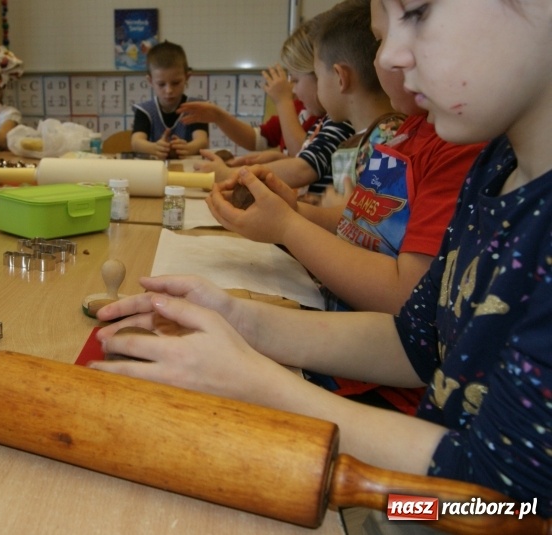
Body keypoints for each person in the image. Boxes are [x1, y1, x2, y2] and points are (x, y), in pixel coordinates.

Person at [90, 0, 552, 515]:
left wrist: (258, 385)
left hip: (432, 507)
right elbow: (416, 342)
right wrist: (237, 318)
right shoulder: (497, 167)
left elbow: (505, 504)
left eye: (418, 12)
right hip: (410, 484)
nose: (389, 57)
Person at [208, 0, 486, 414]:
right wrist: (294, 210)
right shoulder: (408, 132)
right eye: (382, 40)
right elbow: (366, 223)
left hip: (379, 388)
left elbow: (404, 297)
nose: (384, 58)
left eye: (384, 39)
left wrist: (287, 226)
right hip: (343, 343)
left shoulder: (453, 145)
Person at [192, 18, 355, 195]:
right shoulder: (319, 117)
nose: (292, 89)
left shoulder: (339, 121)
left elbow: (303, 167)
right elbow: (266, 142)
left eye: (296, 80)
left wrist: (229, 174)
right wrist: (280, 158)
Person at [177, 23, 319, 163]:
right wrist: (218, 116)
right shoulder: (298, 107)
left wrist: (283, 101)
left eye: (296, 80)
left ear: (319, 76)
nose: (292, 89)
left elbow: (304, 158)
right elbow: (257, 140)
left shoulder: (323, 119)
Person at [130, 40, 209, 160]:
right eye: (161, 84)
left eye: (175, 83)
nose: (169, 90)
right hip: (155, 169)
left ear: (187, 77)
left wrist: (188, 148)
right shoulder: (145, 110)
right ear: (150, 81)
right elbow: (136, 142)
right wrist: (155, 148)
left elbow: (202, 141)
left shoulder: (195, 108)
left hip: (190, 169)